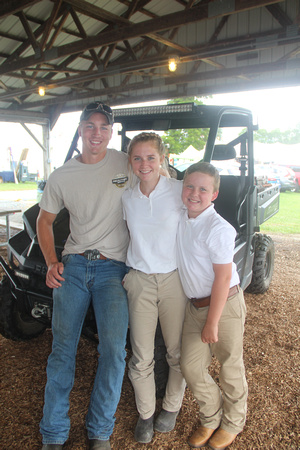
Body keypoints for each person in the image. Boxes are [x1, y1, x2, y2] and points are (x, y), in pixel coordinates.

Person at [36, 101, 130, 450]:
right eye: (90, 125)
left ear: (111, 131)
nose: (96, 132)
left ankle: (99, 430)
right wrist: (50, 261)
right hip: (73, 266)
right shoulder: (63, 175)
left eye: (103, 127)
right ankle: (54, 433)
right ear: (80, 130)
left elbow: (158, 184)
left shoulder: (126, 162)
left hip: (114, 269)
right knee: (62, 349)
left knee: (114, 352)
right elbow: (44, 220)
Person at [177, 162, 248, 450]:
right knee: (190, 366)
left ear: (214, 194)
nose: (194, 193)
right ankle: (211, 415)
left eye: (203, 189)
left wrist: (212, 322)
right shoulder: (182, 216)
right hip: (195, 306)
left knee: (229, 365)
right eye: (189, 186)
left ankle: (233, 423)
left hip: (224, 305)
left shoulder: (219, 229)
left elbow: (223, 277)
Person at [122, 132, 187, 444]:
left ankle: (172, 406)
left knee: (176, 352)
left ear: (162, 158)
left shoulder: (179, 192)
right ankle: (146, 413)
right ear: (130, 161)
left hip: (174, 280)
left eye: (150, 157)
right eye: (138, 158)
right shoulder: (126, 196)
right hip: (140, 280)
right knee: (141, 355)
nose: (144, 164)